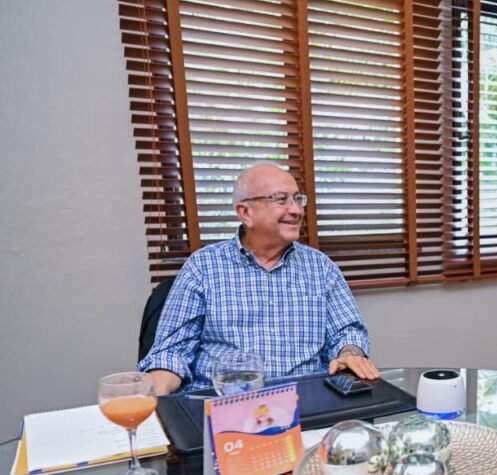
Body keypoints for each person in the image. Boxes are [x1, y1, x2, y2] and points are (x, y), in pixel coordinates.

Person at [139, 163, 380, 394]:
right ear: (246, 212)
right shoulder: (202, 267)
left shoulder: (321, 267)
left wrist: (349, 354)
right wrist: (153, 394)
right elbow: (171, 353)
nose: (296, 210)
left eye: (298, 199)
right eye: (281, 199)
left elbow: (347, 332)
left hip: (306, 401)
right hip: (224, 402)